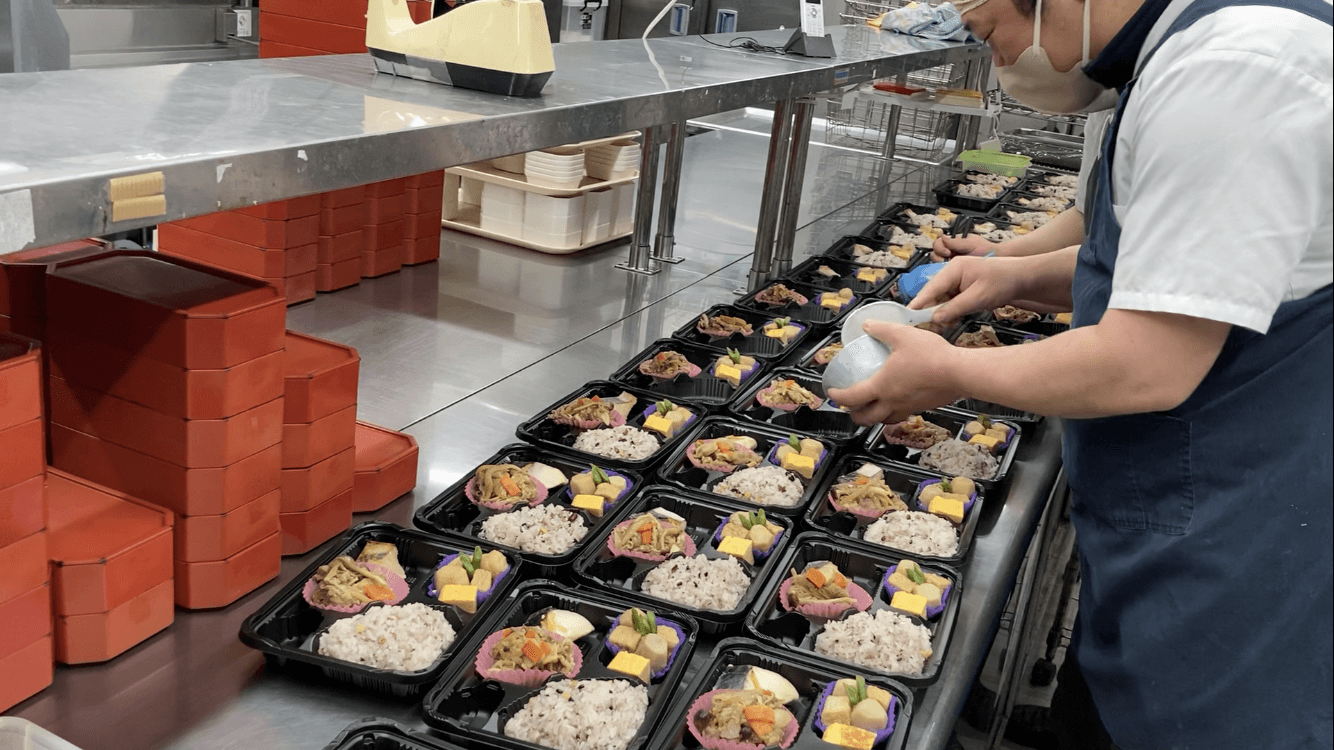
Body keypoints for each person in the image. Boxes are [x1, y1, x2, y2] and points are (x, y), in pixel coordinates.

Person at [829, 0, 1333, 748]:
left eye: (990, 34)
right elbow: (1168, 269)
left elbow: (1148, 361)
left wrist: (952, 372)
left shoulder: (1236, 70)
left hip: (1234, 532)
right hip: (1173, 502)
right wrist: (1013, 276)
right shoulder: (1184, 54)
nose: (1001, 62)